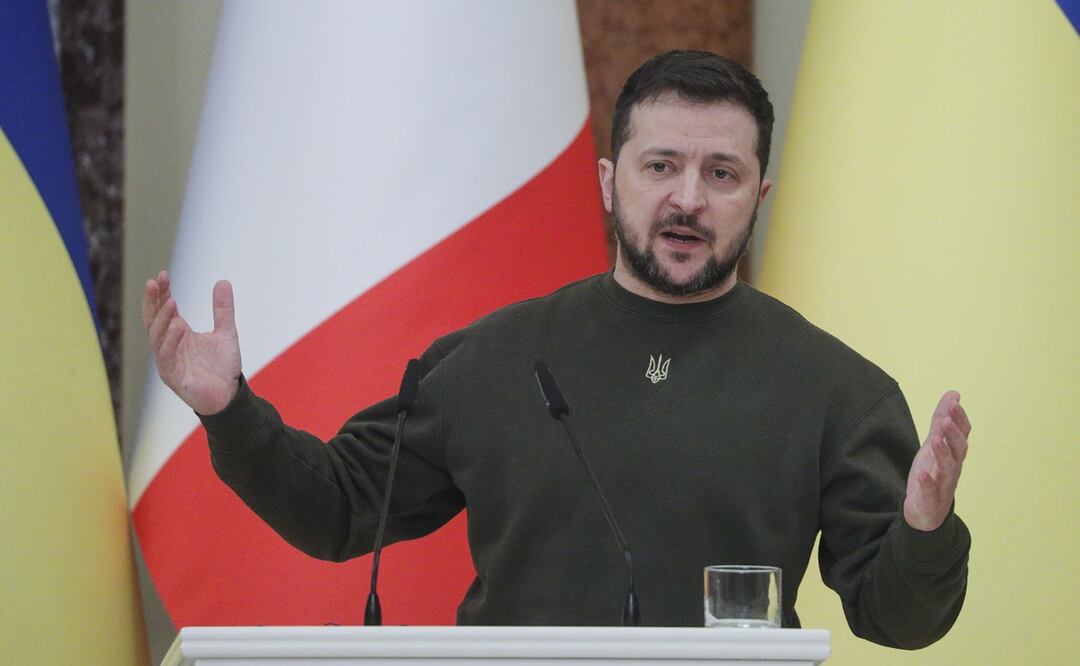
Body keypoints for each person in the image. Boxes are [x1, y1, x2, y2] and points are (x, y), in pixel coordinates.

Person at [142, 51, 970, 647]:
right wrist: (230, 411)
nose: (687, 198)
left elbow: (898, 618)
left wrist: (926, 530)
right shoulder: (491, 359)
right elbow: (336, 509)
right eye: (661, 166)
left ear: (760, 194)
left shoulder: (835, 388)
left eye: (721, 173)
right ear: (611, 182)